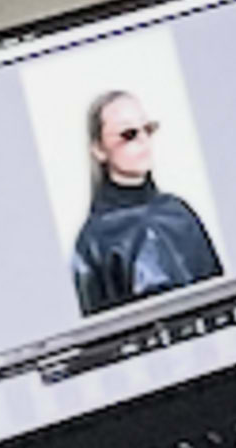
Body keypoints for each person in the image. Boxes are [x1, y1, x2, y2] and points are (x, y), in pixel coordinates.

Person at [68, 86, 225, 316]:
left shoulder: (180, 213)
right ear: (99, 149)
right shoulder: (94, 241)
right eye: (129, 134)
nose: (143, 141)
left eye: (147, 129)